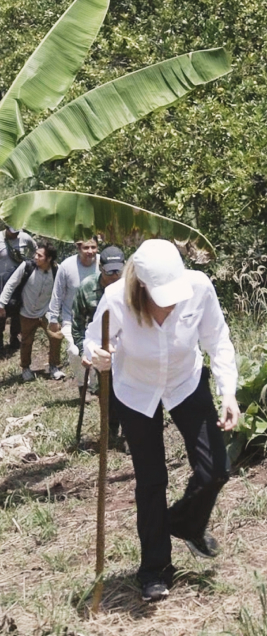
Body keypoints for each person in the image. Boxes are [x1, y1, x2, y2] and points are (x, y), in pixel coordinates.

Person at [84, 239, 239, 603]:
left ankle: (183, 523)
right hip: (136, 392)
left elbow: (218, 341)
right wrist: (98, 356)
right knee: (151, 480)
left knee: (216, 468)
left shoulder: (198, 287)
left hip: (185, 382)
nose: (169, 302)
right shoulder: (116, 299)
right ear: (141, 286)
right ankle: (154, 569)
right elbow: (92, 342)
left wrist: (228, 392)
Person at [72, 246, 125, 425]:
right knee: (107, 391)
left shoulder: (129, 288)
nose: (114, 277)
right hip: (100, 348)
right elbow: (77, 325)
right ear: (100, 268)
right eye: (110, 273)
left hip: (125, 349)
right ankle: (110, 428)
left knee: (126, 392)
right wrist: (84, 353)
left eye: (118, 272)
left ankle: (127, 434)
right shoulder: (87, 287)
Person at [0, 243, 60, 382]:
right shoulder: (27, 267)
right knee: (26, 342)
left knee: (56, 337)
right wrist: (2, 304)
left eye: (39, 255)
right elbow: (11, 284)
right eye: (36, 254)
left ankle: (54, 366)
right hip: (27, 312)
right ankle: (25, 368)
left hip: (46, 312)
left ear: (48, 259)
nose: (35, 257)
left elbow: (63, 289)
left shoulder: (57, 270)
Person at [48, 238, 99, 385]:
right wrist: (53, 318)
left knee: (96, 353)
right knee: (75, 352)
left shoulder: (102, 264)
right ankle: (83, 385)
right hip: (71, 319)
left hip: (96, 320)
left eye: (93, 247)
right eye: (86, 248)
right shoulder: (66, 266)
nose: (90, 251)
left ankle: (95, 384)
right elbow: (57, 293)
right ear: (78, 248)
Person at [0, 224, 36, 355]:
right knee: (1, 309)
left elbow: (36, 249)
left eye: (17, 232)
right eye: (12, 233)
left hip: (18, 280)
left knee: (17, 309)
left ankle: (14, 337)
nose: (15, 235)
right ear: (6, 229)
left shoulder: (25, 238)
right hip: (0, 281)